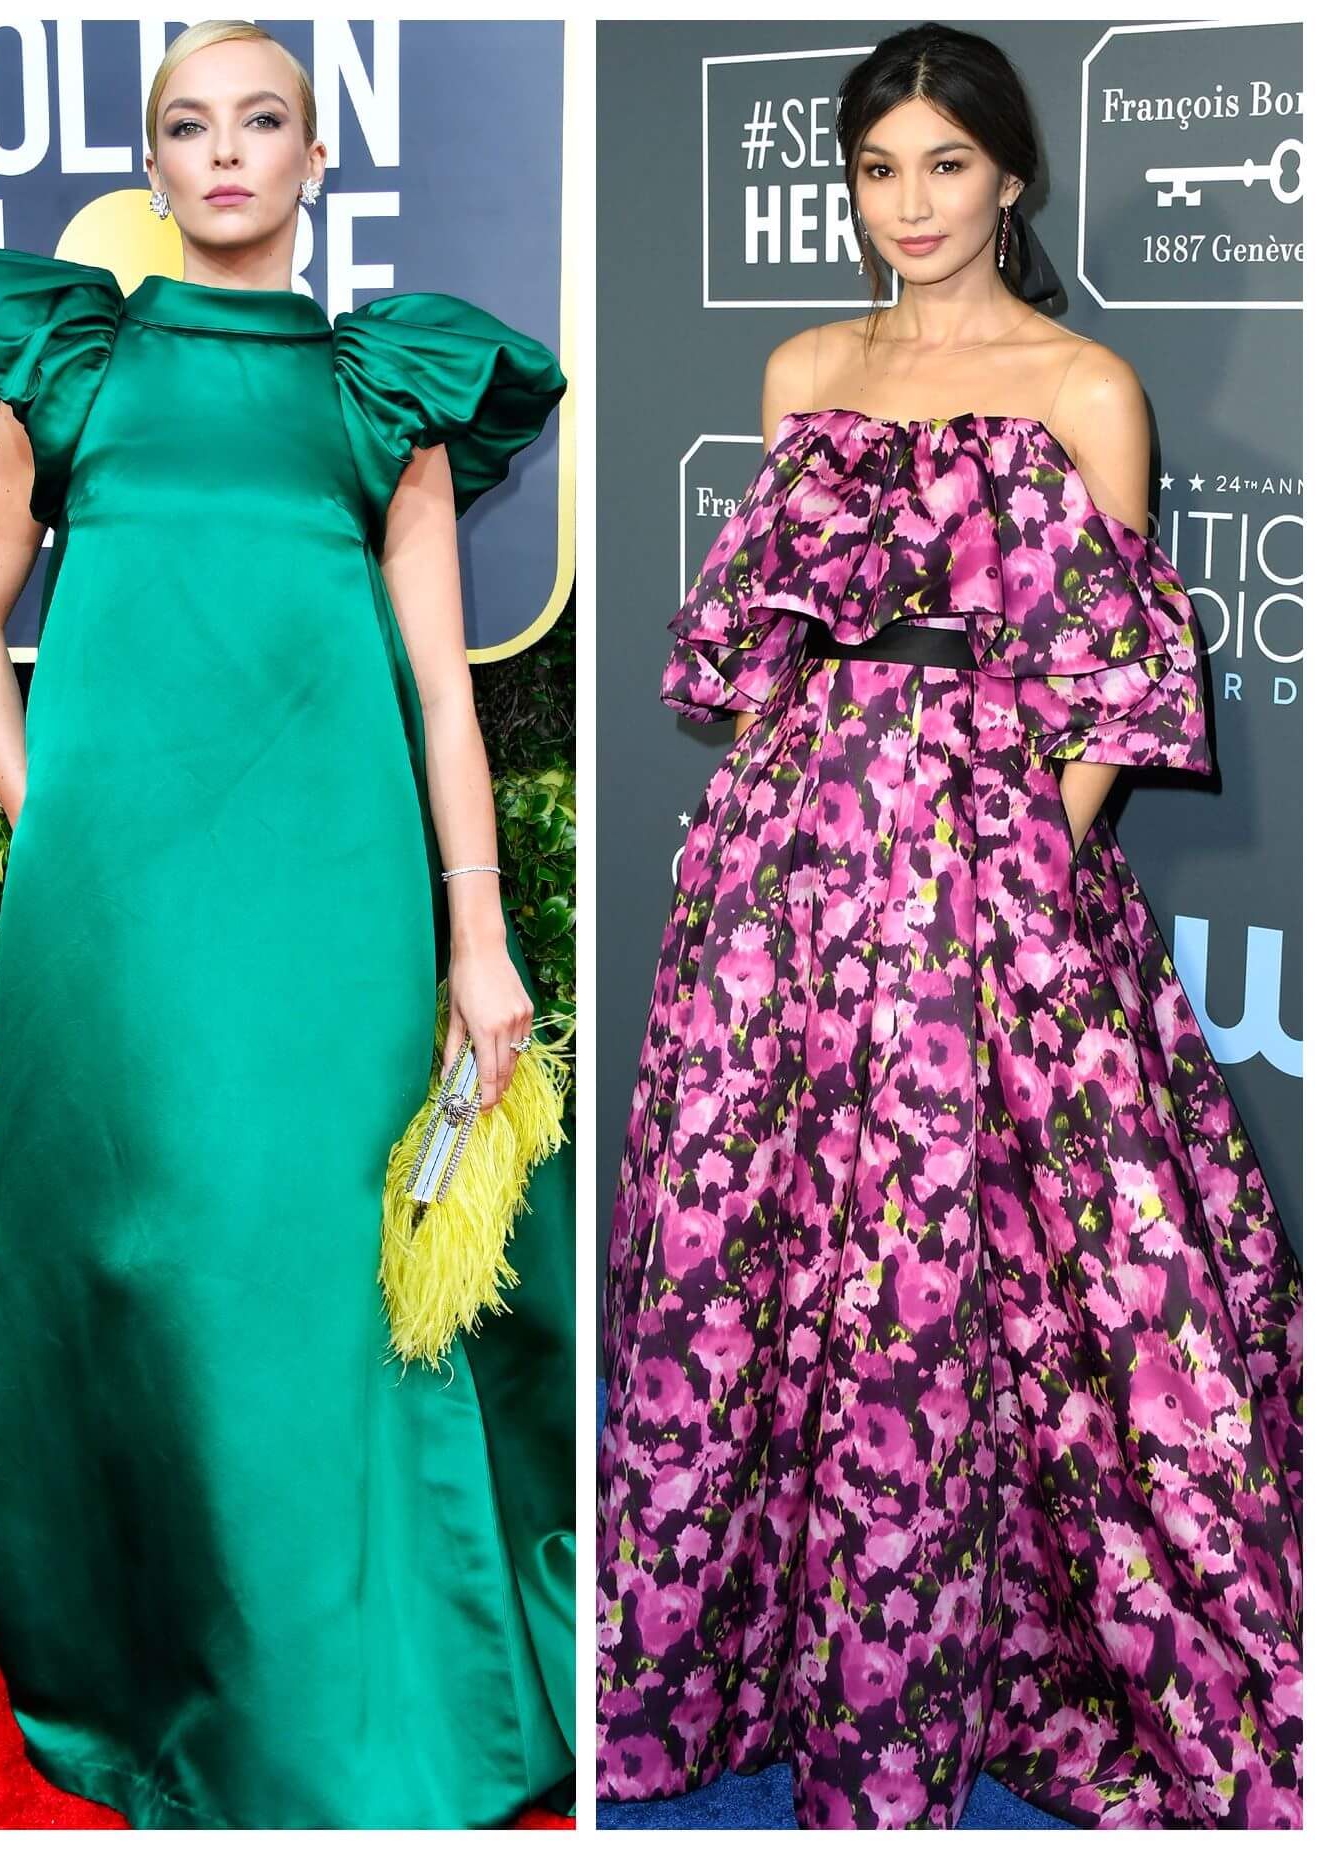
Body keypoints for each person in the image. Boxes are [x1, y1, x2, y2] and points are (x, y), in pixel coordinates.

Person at [596, 22, 1300, 1830]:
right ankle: (756, 1658)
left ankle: (1012, 1666)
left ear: (1012, 179)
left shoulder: (1085, 387)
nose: (911, 204)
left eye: (947, 167)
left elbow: (1108, 689)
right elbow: (769, 653)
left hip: (989, 861)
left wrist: (1004, 887)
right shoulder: (806, 367)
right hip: (790, 865)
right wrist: (748, 849)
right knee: (764, 1260)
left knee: (1002, 1276)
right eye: (879, 167)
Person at [0, 18, 572, 1831]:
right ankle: (149, 1643)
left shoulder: (379, 393)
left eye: (260, 120)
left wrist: (480, 939)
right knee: (146, 1262)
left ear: (312, 156)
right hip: (117, 922)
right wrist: (63, 814)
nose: (222, 154)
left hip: (330, 908)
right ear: (153, 158)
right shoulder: (76, 366)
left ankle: (318, 1682)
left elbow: (441, 689)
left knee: (301, 1284)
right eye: (187, 125)